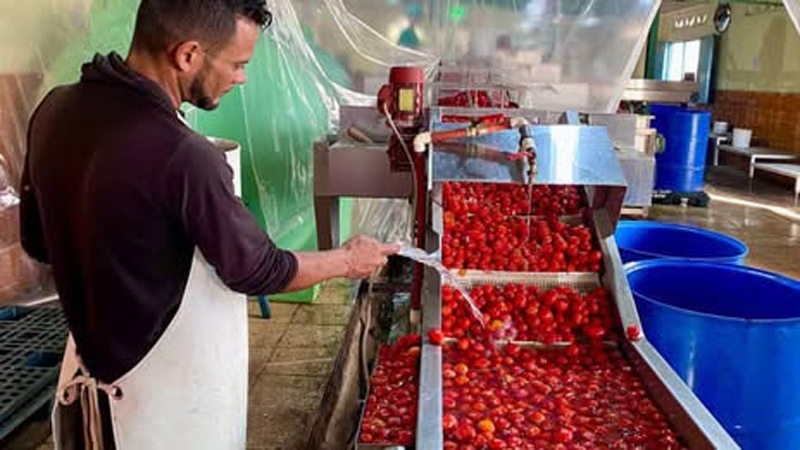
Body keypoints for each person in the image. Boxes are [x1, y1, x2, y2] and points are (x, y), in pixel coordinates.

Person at [19, 1, 398, 449]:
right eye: (237, 64)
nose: (241, 78)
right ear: (188, 55)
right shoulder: (185, 156)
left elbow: (38, 243)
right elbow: (257, 270)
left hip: (90, 381)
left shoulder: (54, 110)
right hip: (168, 409)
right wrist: (348, 260)